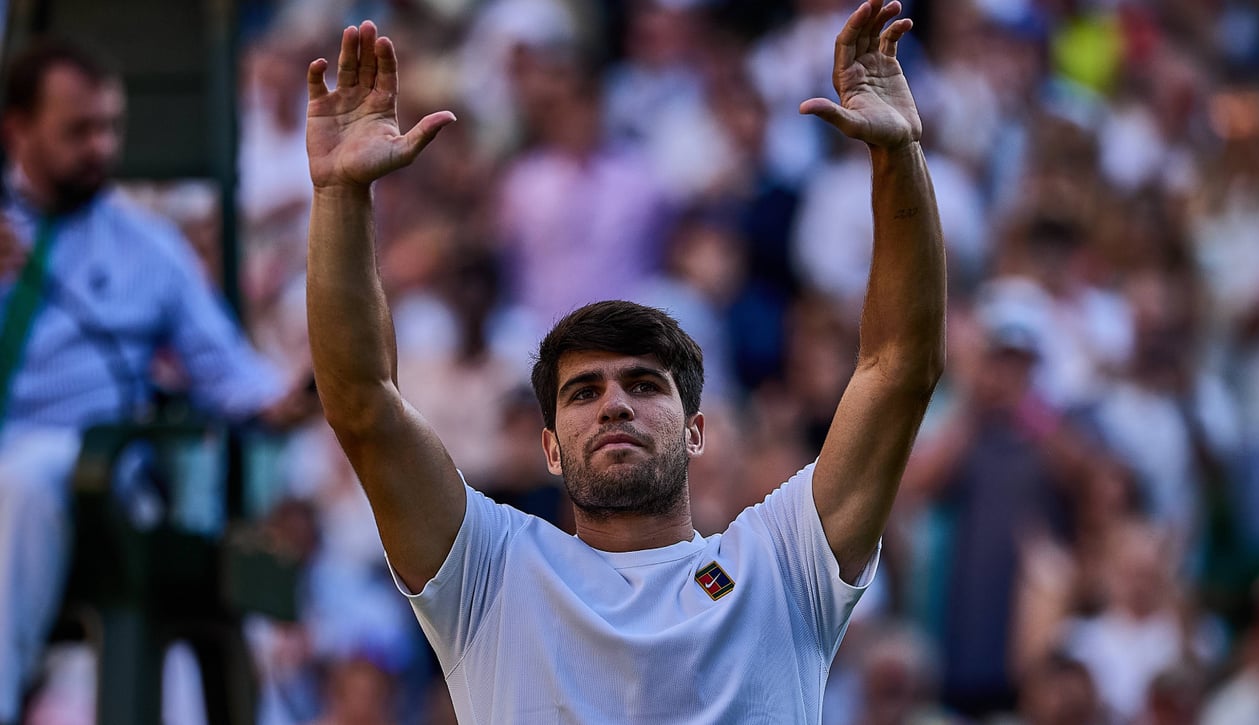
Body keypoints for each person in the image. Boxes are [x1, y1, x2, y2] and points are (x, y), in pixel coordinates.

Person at [304, 0, 944, 721]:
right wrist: (339, 193)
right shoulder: (492, 569)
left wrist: (897, 157)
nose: (614, 403)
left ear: (698, 430)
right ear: (547, 446)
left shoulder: (782, 562)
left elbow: (900, 369)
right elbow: (362, 402)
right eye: (581, 392)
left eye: (644, 384)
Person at [0, 40, 313, 722]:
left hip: (87, 469)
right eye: (78, 130)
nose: (101, 147)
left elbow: (231, 374)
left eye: (110, 127)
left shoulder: (150, 249)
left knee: (23, 475)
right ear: (16, 130)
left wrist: (292, 397)